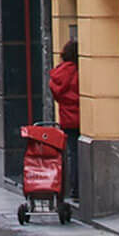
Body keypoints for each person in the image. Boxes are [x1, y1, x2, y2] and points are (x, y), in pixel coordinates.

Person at [51, 39, 80, 204]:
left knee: (72, 154)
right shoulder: (78, 72)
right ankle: (78, 188)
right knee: (76, 155)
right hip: (82, 117)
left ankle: (74, 189)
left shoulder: (59, 73)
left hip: (66, 118)